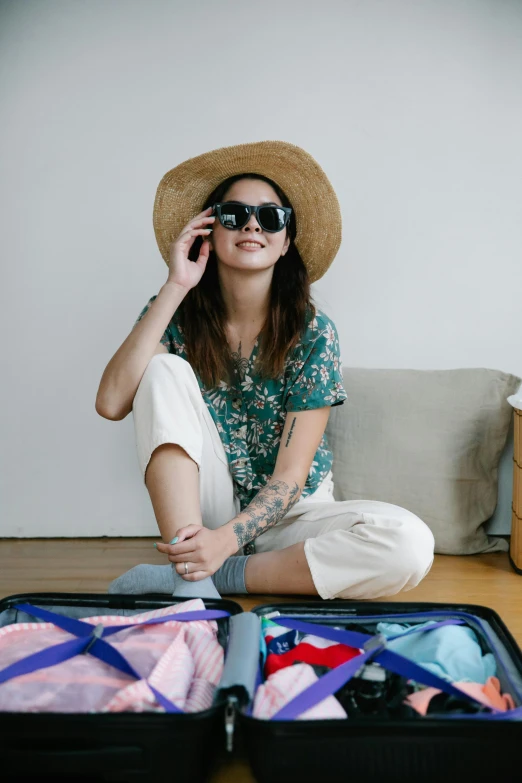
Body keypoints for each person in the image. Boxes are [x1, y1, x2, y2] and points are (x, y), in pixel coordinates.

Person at [96, 140, 435, 601]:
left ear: (285, 241)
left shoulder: (313, 332)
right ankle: (193, 565)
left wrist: (227, 542)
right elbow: (111, 402)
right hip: (206, 506)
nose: (253, 224)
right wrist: (176, 284)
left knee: (408, 543)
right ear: (210, 232)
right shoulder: (175, 314)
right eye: (234, 214)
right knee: (161, 370)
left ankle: (204, 579)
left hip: (291, 515)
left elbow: (291, 478)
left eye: (271, 217)